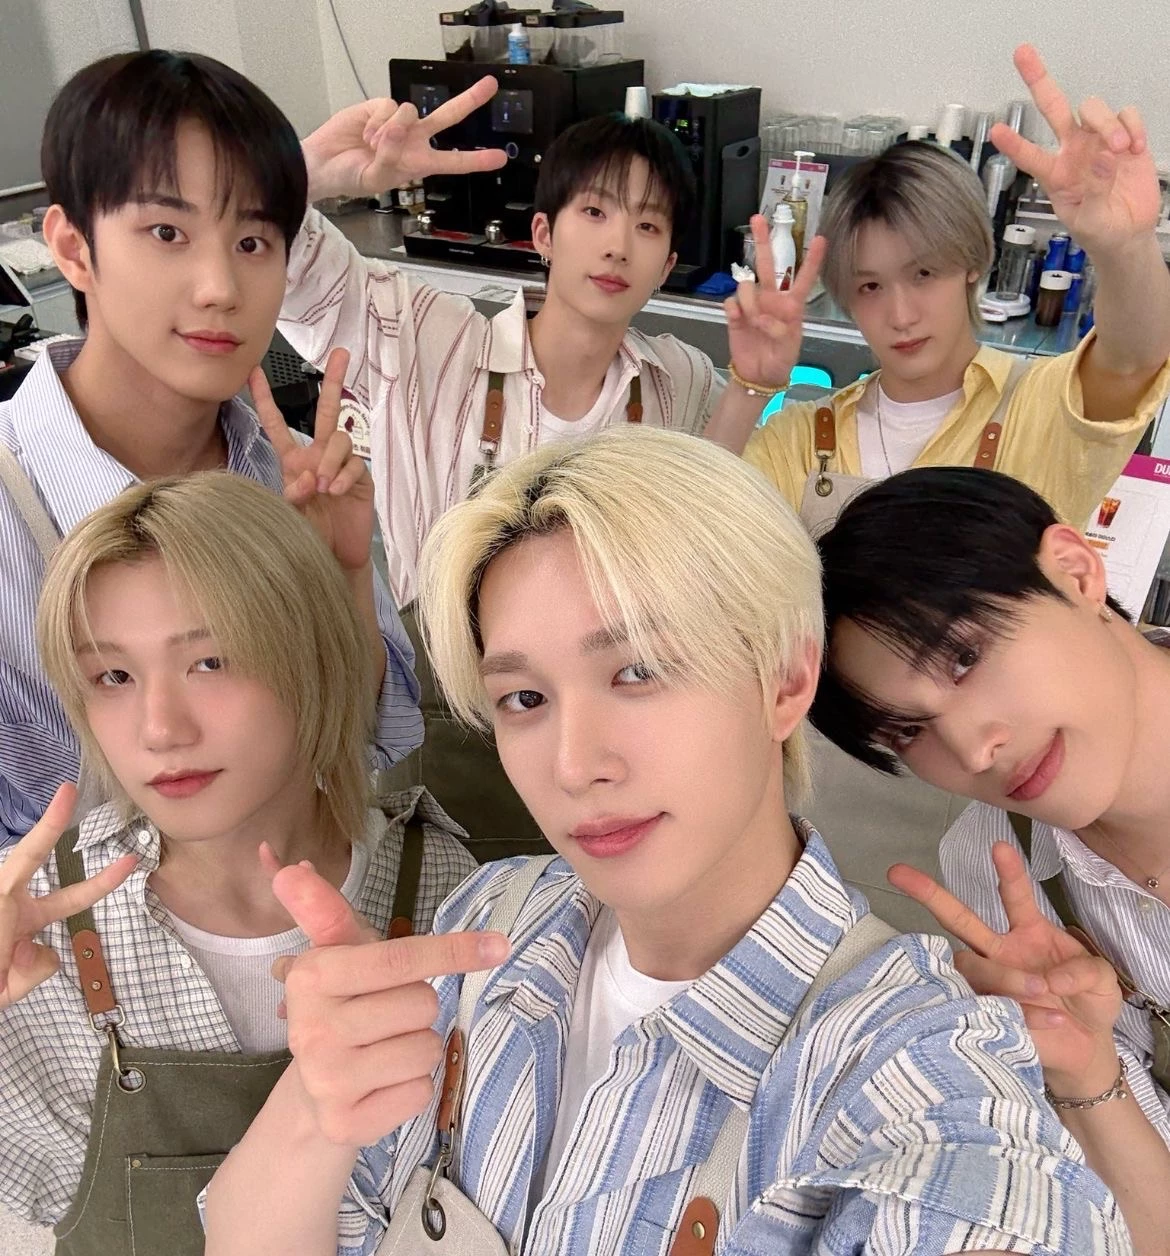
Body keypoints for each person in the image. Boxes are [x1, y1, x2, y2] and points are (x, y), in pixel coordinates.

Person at [205, 428, 1126, 1255]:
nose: (575, 765)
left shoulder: (911, 1065)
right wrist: (316, 1107)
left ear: (784, 679)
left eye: (638, 671)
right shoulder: (488, 924)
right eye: (524, 699)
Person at [0, 49, 526, 842]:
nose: (220, 287)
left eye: (252, 243)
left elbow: (367, 738)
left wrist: (345, 577)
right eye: (167, 232)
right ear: (74, 249)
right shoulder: (10, 503)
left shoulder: (284, 472)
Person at [281, 102, 821, 846]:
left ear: (667, 267)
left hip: (614, 730)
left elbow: (694, 534)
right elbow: (288, 267)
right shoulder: (431, 341)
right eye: (594, 212)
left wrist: (752, 386)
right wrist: (307, 174)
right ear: (542, 234)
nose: (617, 245)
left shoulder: (678, 380)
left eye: (647, 226)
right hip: (448, 717)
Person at [0, 470, 477, 1256]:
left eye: (211, 661)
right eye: (113, 676)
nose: (160, 728)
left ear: (312, 656)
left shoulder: (449, 895)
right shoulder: (37, 925)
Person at [810, 464, 1170, 1253]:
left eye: (965, 657)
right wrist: (1085, 1074)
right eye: (909, 732)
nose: (974, 751)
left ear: (1075, 571)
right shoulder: (1002, 872)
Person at [707, 45, 1170, 537]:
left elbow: (1133, 360)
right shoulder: (800, 439)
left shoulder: (1041, 408)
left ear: (971, 262)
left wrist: (1125, 246)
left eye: (923, 274)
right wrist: (748, 388)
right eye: (870, 286)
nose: (901, 315)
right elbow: (692, 534)